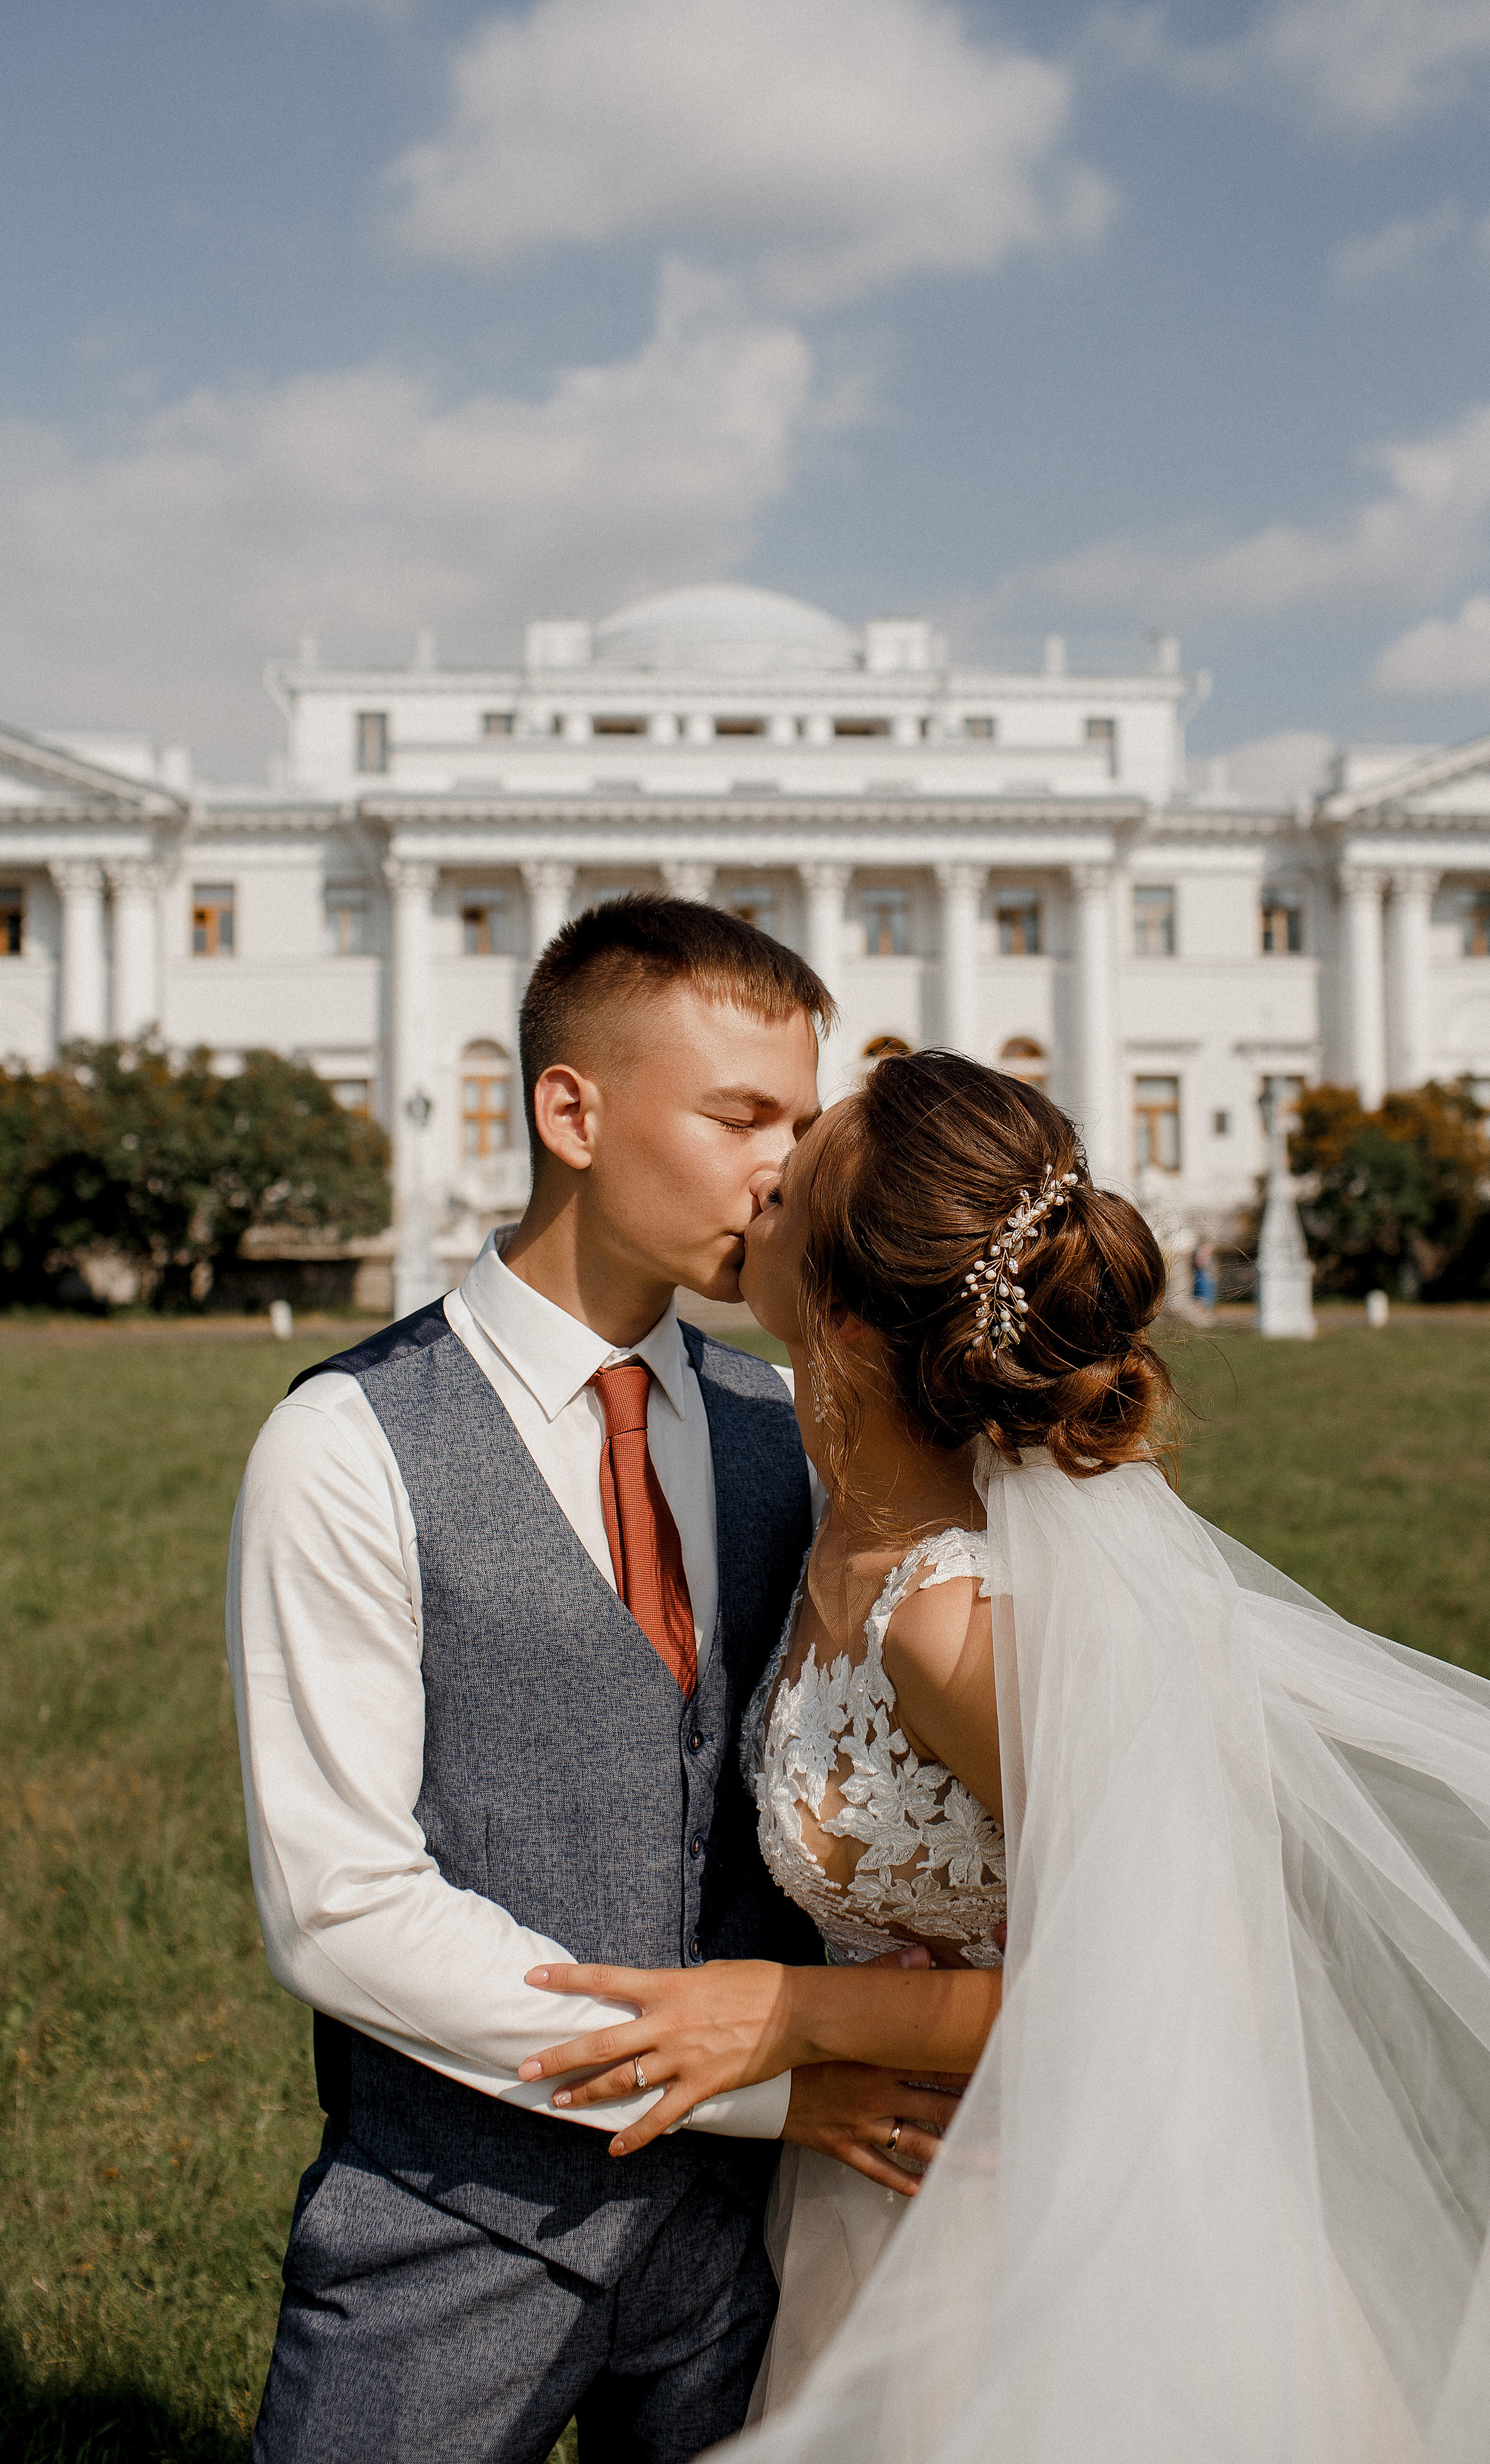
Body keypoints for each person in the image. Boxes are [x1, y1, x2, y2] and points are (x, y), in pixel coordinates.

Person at [523, 1048, 1490, 2462]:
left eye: (791, 1182)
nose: (756, 1178)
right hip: (877, 2190)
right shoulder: (824, 1528)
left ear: (848, 1319)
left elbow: (1181, 1984)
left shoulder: (954, 1631)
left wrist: (794, 2012)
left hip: (1035, 2225)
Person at [227, 896, 936, 2464]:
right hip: (453, 2232)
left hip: (746, 2254)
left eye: (803, 1120)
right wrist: (757, 2080)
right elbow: (340, 1906)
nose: (789, 1166)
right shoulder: (346, 1446)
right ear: (571, 1110)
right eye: (742, 1114)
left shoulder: (786, 1429)